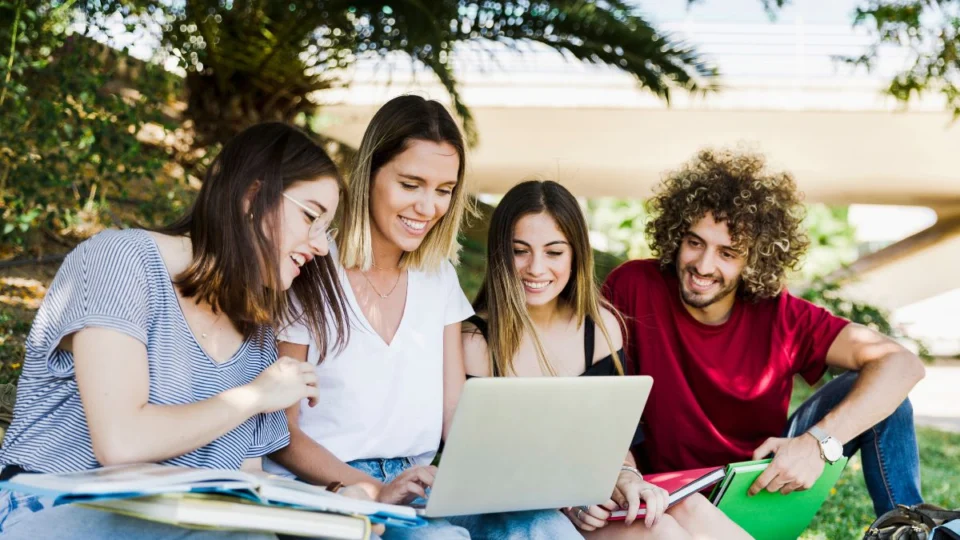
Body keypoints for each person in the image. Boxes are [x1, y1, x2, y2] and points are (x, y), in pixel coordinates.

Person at [0, 122, 352, 539]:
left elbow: (248, 485)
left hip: (185, 524)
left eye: (325, 230)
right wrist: (255, 397)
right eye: (310, 216)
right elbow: (121, 443)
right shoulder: (121, 261)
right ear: (252, 197)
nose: (320, 246)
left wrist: (341, 498)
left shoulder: (257, 338)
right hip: (50, 509)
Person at [265, 96, 578, 539]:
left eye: (444, 190)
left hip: (421, 484)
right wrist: (372, 488)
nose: (428, 207)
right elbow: (281, 430)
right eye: (411, 184)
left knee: (547, 528)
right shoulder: (310, 268)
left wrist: (530, 478)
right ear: (370, 172)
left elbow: (454, 413)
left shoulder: (438, 278)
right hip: (330, 488)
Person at [603, 149, 926, 518]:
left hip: (757, 491)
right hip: (664, 501)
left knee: (885, 393)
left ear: (754, 259)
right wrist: (624, 471)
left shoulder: (782, 315)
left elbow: (903, 364)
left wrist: (817, 444)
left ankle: (911, 529)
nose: (703, 265)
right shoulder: (633, 286)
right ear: (676, 236)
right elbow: (597, 391)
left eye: (728, 253)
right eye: (695, 242)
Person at [462, 180, 751, 540]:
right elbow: (483, 466)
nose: (536, 268)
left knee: (689, 506)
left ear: (576, 255)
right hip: (517, 512)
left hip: (588, 501)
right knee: (659, 531)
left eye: (554, 252)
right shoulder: (475, 340)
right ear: (500, 255)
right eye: (520, 251)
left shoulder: (599, 328)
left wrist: (627, 477)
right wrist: (570, 501)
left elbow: (617, 444)